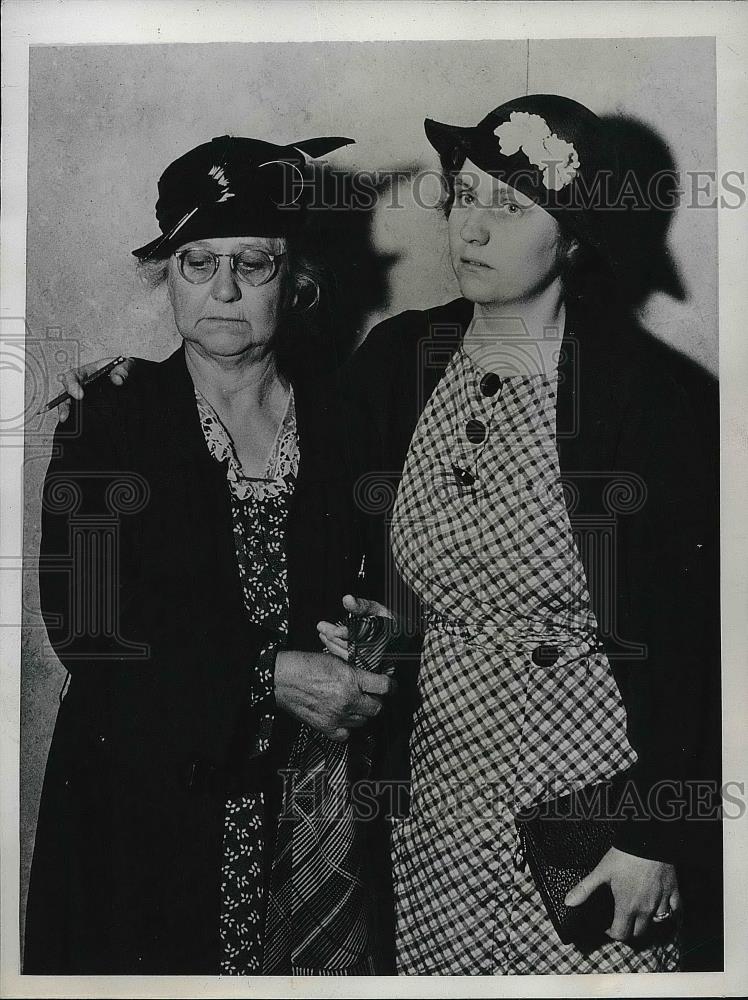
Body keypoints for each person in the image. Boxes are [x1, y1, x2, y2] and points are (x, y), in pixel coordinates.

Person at [318, 94, 720, 975]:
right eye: (465, 197)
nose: (473, 227)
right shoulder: (401, 360)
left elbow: (701, 644)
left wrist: (658, 833)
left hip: (589, 804)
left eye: (512, 206)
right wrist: (143, 385)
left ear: (573, 238)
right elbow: (300, 485)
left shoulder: (648, 400)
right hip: (440, 790)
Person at [25, 133, 396, 975]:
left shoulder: (347, 424)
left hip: (301, 811)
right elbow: (86, 626)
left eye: (253, 264)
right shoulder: (107, 419)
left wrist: (372, 629)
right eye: (198, 263)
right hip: (143, 815)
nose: (224, 289)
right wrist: (265, 674)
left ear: (295, 281)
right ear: (169, 277)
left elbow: (376, 580)